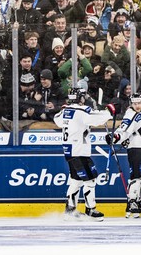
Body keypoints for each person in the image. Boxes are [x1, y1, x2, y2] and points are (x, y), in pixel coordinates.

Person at [54, 87, 115, 221]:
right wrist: (109, 111)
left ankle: (70, 210)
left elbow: (56, 119)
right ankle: (90, 209)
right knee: (91, 179)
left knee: (76, 180)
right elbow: (96, 120)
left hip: (69, 151)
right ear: (80, 98)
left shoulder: (64, 111)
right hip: (80, 152)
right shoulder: (81, 111)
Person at [106, 93, 141, 218]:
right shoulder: (132, 114)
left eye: (139, 103)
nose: (137, 106)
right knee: (137, 177)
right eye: (134, 103)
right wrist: (116, 137)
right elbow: (124, 128)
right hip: (136, 148)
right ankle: (132, 202)